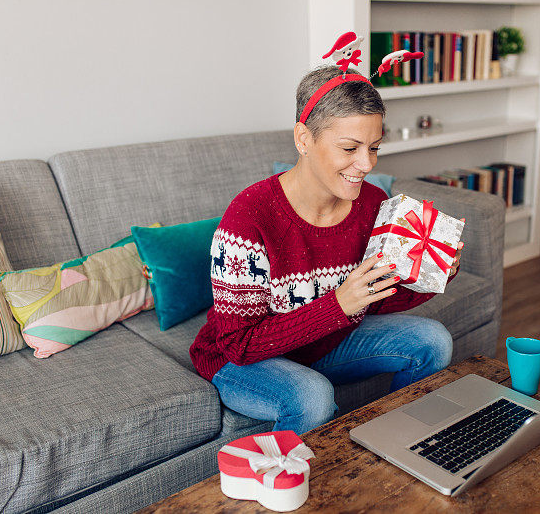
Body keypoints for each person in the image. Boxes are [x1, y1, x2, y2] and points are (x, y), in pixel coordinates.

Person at [189, 65, 464, 435]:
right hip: (239, 359)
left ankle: (398, 447)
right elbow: (239, 343)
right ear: (304, 139)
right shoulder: (249, 218)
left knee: (432, 341)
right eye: (350, 148)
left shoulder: (371, 203)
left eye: (374, 148)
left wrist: (432, 271)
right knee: (312, 396)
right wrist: (339, 305)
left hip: (322, 343)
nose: (366, 164)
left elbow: (375, 299)